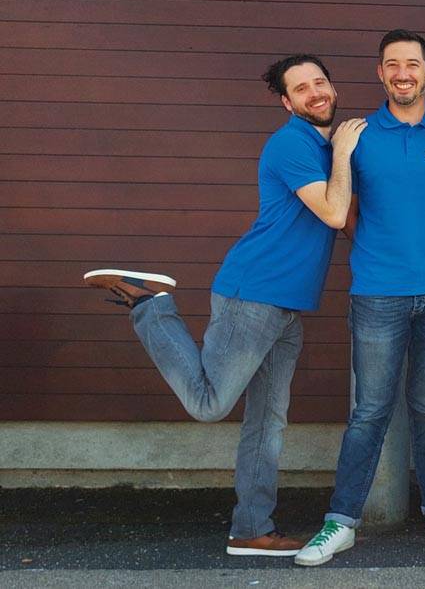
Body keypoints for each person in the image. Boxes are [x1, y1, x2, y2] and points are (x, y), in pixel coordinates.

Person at [83, 54, 365, 557]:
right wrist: (344, 151)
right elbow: (333, 212)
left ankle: (250, 528)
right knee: (210, 404)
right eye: (301, 88)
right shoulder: (293, 144)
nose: (315, 92)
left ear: (333, 87)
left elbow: (350, 220)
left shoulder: (325, 148)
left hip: (287, 305)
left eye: (320, 82)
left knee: (268, 422)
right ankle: (150, 304)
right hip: (253, 293)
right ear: (287, 102)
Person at [295, 29, 425, 566]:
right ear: (380, 73)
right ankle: (340, 523)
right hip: (378, 293)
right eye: (392, 64)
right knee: (370, 411)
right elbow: (343, 212)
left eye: (412, 64)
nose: (402, 73)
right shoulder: (356, 135)